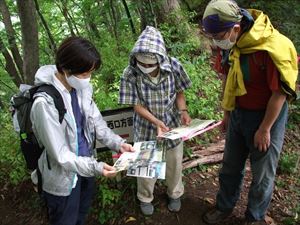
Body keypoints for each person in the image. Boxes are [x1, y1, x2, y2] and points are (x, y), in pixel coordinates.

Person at [201, 0, 298, 225]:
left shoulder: (272, 48)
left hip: (267, 117)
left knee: (263, 174)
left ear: (236, 28)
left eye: (218, 36)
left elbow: (280, 94)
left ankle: (254, 217)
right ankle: (224, 207)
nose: (215, 41)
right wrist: (227, 113)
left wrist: (265, 129)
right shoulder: (231, 44)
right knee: (230, 166)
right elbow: (227, 77)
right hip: (238, 113)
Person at [30, 36, 134, 225]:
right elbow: (60, 155)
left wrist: (119, 144)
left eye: (90, 73)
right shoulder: (44, 103)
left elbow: (97, 123)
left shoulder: (81, 89)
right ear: (66, 68)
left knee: (81, 214)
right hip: (62, 179)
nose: (88, 79)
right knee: (65, 220)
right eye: (84, 74)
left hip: (86, 166)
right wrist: (96, 167)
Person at [119, 26, 192, 216]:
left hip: (172, 124)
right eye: (142, 63)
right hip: (145, 126)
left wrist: (183, 110)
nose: (146, 67)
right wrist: (156, 122)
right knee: (145, 164)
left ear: (160, 59)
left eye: (150, 64)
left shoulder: (174, 66)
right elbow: (135, 105)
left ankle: (174, 193)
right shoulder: (130, 73)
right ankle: (145, 197)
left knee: (174, 161)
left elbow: (180, 92)